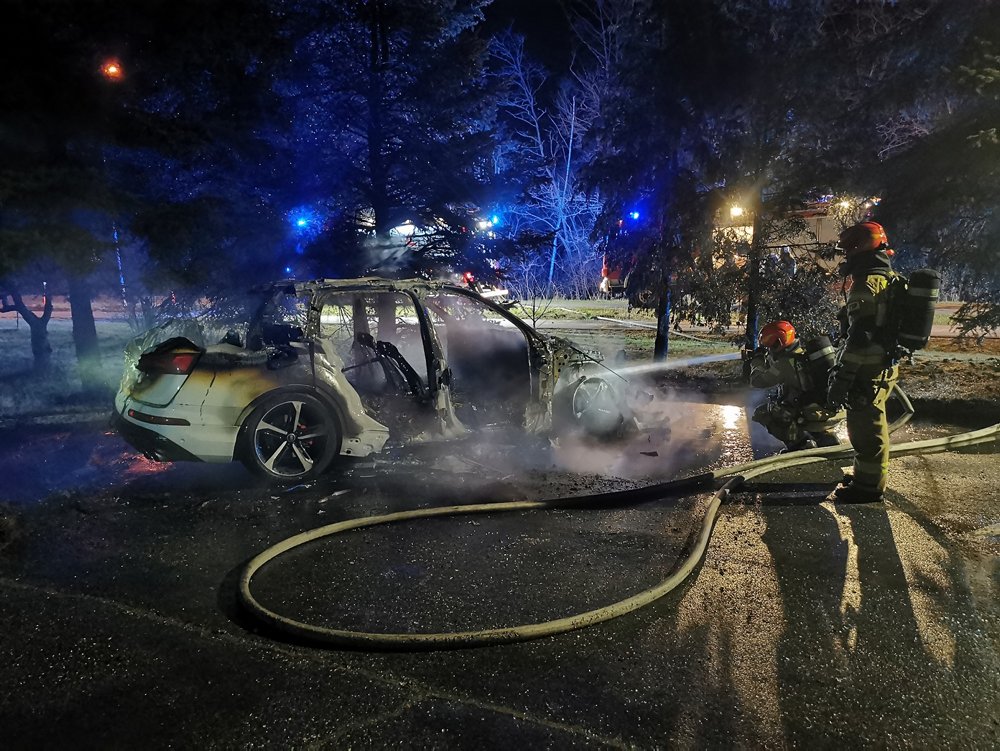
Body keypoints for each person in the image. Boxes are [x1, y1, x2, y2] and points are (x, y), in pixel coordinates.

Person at [826, 221, 900, 503]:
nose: (846, 257)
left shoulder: (865, 284)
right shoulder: (886, 278)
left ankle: (867, 489)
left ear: (858, 248)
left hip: (867, 370)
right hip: (881, 365)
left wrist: (842, 379)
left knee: (866, 431)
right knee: (873, 425)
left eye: (848, 250)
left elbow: (859, 339)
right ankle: (866, 477)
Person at [749, 320, 844, 452]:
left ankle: (799, 444)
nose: (769, 350)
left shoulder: (786, 363)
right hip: (830, 410)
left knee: (764, 412)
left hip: (812, 414)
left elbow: (758, 381)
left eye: (770, 346)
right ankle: (825, 439)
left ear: (778, 342)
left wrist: (757, 361)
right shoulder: (804, 355)